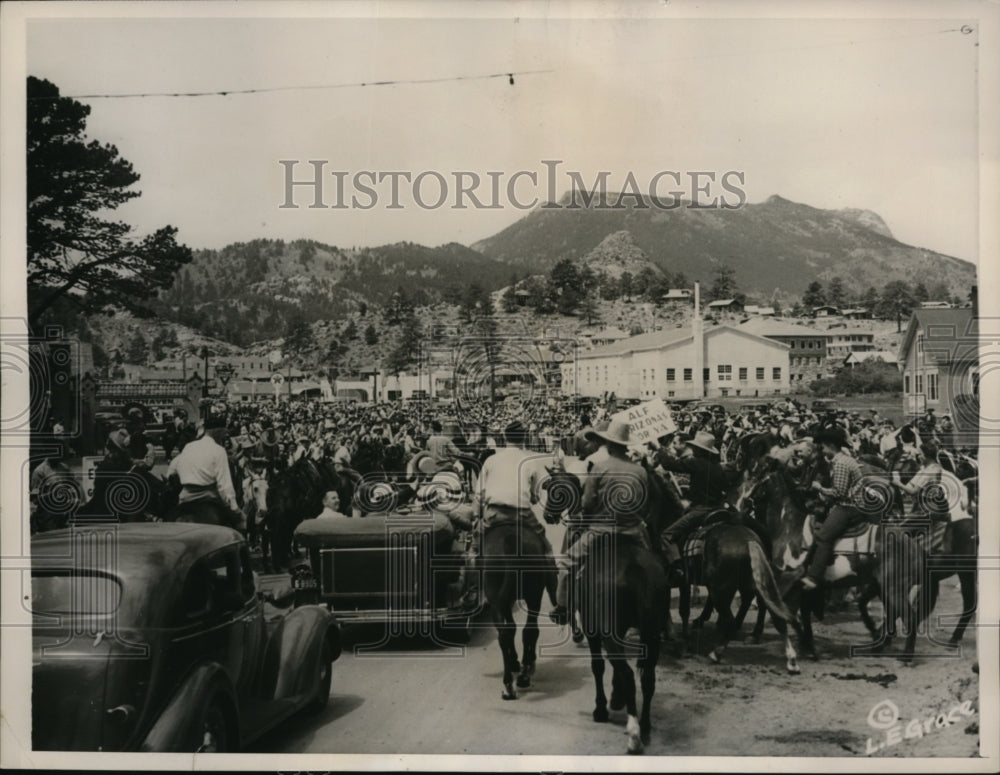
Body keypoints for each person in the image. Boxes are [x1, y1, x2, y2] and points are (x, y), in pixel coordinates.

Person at [550, 418, 652, 625]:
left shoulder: (599, 467)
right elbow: (644, 504)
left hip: (601, 531)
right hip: (633, 531)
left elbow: (587, 502)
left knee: (564, 564)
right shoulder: (640, 470)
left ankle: (562, 607)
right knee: (654, 563)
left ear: (608, 443)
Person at [475, 420, 558, 604]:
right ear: (523, 438)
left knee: (475, 548)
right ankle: (556, 600)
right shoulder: (529, 461)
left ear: (504, 437)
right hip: (522, 515)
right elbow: (535, 496)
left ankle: (476, 589)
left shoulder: (491, 460)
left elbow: (479, 494)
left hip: (493, 514)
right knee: (547, 551)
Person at [657, 431, 729, 584]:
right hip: (719, 508)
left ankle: (677, 568)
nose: (693, 449)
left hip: (701, 510)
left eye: (695, 447)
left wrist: (658, 448)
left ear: (700, 450)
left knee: (666, 535)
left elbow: (669, 464)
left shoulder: (696, 462)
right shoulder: (718, 467)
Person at [800, 427, 866, 590]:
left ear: (830, 445)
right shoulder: (844, 460)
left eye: (822, 447)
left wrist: (819, 488)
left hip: (849, 507)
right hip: (853, 504)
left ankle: (814, 577)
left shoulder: (842, 464)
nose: (821, 451)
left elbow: (839, 492)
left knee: (823, 537)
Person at [166, 418, 242, 527]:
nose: (225, 436)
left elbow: (172, 471)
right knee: (239, 523)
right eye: (224, 433)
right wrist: (235, 509)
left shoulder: (189, 446)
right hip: (208, 497)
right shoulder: (219, 450)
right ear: (218, 431)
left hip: (185, 497)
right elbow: (224, 486)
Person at [30, 437, 82, 533]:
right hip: (48, 516)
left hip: (65, 514)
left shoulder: (64, 468)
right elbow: (35, 498)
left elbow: (75, 486)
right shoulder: (40, 471)